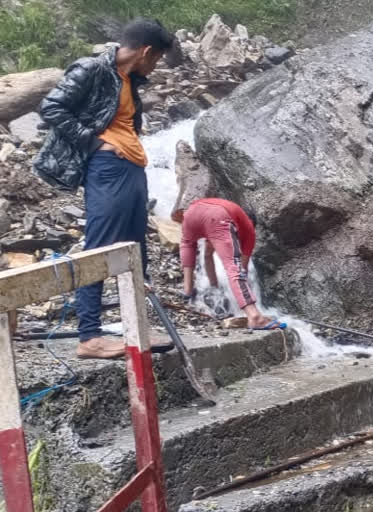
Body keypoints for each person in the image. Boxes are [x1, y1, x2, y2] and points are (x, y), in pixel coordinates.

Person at [35, 19, 175, 359]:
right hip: (107, 167)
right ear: (146, 51)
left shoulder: (128, 78)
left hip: (130, 166)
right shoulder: (93, 68)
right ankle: (89, 337)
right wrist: (94, 143)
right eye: (156, 59)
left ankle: (136, 326)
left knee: (134, 246)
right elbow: (51, 108)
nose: (155, 66)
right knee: (100, 245)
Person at [175, 198, 285, 330]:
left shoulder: (226, 218)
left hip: (192, 212)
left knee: (187, 243)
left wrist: (214, 286)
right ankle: (255, 317)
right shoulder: (249, 230)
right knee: (234, 267)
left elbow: (207, 256)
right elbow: (240, 271)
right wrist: (245, 299)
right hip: (218, 216)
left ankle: (187, 290)